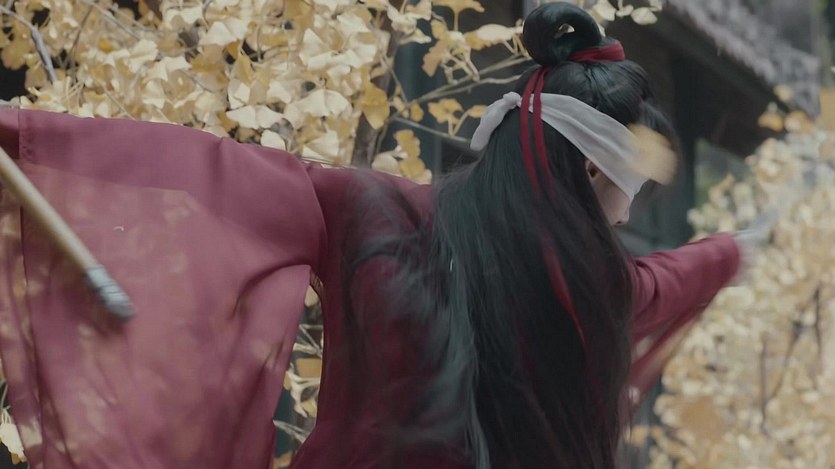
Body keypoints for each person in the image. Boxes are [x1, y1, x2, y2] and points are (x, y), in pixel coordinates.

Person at [0, 2, 750, 468]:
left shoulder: (375, 210)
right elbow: (674, 277)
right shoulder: (596, 285)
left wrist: (24, 135)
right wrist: (731, 251)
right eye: (629, 188)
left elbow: (215, 177)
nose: (629, 214)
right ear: (589, 168)